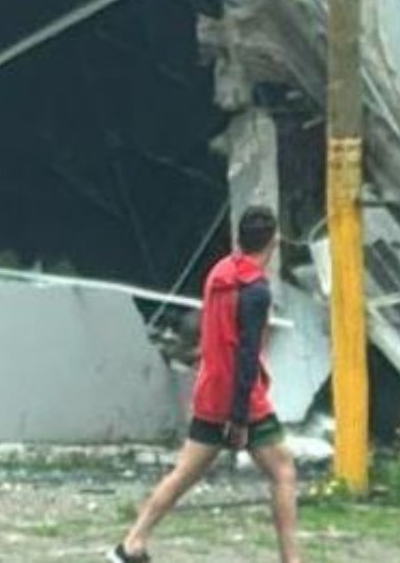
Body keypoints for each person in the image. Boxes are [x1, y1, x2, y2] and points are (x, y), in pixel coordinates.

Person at [107, 206, 302, 563]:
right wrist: (240, 418)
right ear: (273, 240)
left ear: (239, 238)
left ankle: (131, 544)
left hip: (210, 390)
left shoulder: (219, 273)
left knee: (183, 474)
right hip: (241, 398)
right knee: (283, 471)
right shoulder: (256, 291)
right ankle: (291, 560)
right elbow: (245, 356)